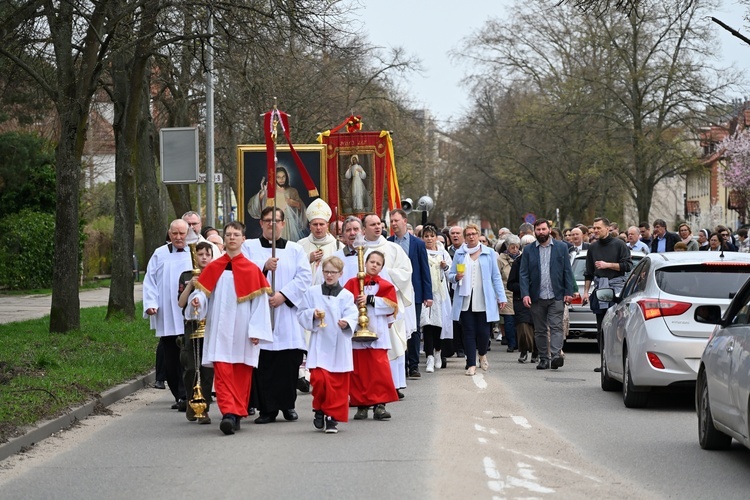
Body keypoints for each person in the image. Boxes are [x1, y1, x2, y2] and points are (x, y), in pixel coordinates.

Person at [187, 221, 273, 435]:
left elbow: (260, 304)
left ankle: (236, 413)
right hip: (219, 328)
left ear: (243, 239)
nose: (232, 238)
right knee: (223, 371)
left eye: (236, 234)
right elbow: (203, 293)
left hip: (243, 330)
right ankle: (228, 414)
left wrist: (257, 332)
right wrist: (197, 300)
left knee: (241, 373)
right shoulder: (214, 267)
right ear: (224, 240)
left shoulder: (252, 269)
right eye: (228, 234)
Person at [242, 207, 312, 424]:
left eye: (276, 220)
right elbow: (242, 272)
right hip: (260, 311)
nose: (272, 224)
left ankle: (288, 406)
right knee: (265, 364)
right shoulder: (249, 247)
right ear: (261, 223)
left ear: (284, 224)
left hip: (286, 313)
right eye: (267, 220)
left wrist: (283, 295)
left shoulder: (294, 249)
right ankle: (267, 409)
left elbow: (304, 277)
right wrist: (263, 267)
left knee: (288, 363)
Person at [296, 256, 359, 433]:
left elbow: (353, 315)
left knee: (337, 385)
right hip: (320, 343)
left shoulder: (346, 295)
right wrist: (312, 315)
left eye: (333, 272)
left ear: (340, 273)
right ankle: (319, 408)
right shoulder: (312, 292)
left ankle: (332, 419)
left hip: (339, 344)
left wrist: (347, 322)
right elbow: (301, 313)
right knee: (320, 379)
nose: (329, 275)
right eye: (326, 271)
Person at [143, 219, 193, 409]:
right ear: (169, 234)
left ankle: (190, 393)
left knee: (189, 355)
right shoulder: (160, 254)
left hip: (190, 312)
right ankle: (179, 395)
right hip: (167, 312)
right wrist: (150, 304)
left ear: (188, 233)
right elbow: (150, 281)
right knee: (171, 357)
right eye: (175, 234)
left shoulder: (196, 252)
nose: (179, 237)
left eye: (182, 233)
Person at [343, 251, 400, 420]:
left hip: (378, 331)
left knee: (378, 370)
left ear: (382, 267)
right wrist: (355, 300)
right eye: (372, 262)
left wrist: (371, 300)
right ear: (365, 263)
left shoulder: (385, 285)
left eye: (378, 263)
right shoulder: (352, 283)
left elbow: (392, 306)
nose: (374, 265)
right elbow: (343, 302)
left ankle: (380, 405)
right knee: (359, 371)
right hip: (357, 332)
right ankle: (361, 404)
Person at [362, 213, 414, 395]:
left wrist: (384, 274)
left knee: (393, 343)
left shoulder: (393, 249)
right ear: (364, 229)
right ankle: (369, 386)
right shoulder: (358, 250)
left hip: (389, 302)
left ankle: (395, 384)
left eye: (379, 224)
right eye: (372, 224)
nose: (377, 227)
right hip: (364, 307)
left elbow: (406, 272)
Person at [449, 223, 507, 376]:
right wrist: (456, 277)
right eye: (468, 234)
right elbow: (450, 274)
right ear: (464, 237)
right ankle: (471, 364)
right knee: (468, 332)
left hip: (484, 299)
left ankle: (482, 354)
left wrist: (501, 296)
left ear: (478, 235)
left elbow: (496, 277)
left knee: (483, 333)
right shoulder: (460, 254)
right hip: (465, 299)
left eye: (474, 234)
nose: (471, 237)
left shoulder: (488, 253)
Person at [519, 219, 574, 371]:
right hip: (536, 296)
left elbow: (567, 271)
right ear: (534, 231)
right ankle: (544, 358)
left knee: (556, 327)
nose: (541, 232)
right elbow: (523, 274)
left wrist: (569, 292)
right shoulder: (529, 250)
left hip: (556, 294)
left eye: (543, 229)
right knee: (540, 329)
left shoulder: (561, 247)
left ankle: (556, 356)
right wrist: (525, 294)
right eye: (538, 230)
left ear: (550, 230)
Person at [582, 217, 632, 372]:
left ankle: (617, 362)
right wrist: (585, 292)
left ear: (608, 228)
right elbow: (589, 272)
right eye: (594, 228)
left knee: (617, 327)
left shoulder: (619, 244)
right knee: (601, 327)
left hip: (616, 290)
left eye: (598, 228)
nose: (595, 231)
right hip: (600, 290)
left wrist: (608, 265)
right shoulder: (593, 247)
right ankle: (603, 361)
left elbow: (628, 266)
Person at [387, 209, 432, 379]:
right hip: (394, 293)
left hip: (415, 292)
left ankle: (413, 365)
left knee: (413, 329)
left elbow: (424, 270)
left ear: (404, 221)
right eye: (391, 221)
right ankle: (401, 363)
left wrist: (428, 295)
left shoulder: (417, 244)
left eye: (396, 220)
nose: (393, 224)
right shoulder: (388, 242)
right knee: (398, 328)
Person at [177, 241, 215, 425]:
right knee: (192, 368)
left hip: (210, 326)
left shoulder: (217, 274)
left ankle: (204, 408)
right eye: (200, 254)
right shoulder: (186, 275)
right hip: (192, 327)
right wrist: (191, 286)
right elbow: (180, 303)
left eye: (207, 254)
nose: (204, 258)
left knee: (207, 370)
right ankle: (192, 404)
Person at [420, 223, 453, 372]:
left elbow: (450, 274)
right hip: (426, 292)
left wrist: (445, 267)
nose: (429, 239)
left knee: (438, 324)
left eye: (431, 236)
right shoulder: (421, 251)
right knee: (427, 324)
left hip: (440, 293)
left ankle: (438, 352)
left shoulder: (443, 252)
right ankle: (429, 357)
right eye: (426, 236)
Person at [247, 166, 307, 242]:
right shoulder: (269, 192)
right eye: (278, 177)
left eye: (283, 177)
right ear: (274, 178)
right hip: (272, 226)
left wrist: (295, 204)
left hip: (288, 226)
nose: (281, 179)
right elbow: (254, 208)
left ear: (287, 177)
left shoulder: (292, 191)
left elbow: (301, 210)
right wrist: (263, 193)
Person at [507, 235, 538, 363]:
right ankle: (524, 350)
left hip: (537, 299)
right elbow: (510, 284)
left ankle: (536, 352)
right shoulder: (517, 262)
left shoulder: (539, 260)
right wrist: (524, 287)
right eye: (526, 245)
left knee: (536, 327)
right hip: (520, 300)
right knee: (523, 327)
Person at [298, 199, 339, 285]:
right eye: (315, 224)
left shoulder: (338, 246)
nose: (318, 228)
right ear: (310, 226)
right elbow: (293, 268)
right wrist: (308, 258)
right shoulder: (300, 245)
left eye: (321, 224)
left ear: (327, 225)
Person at [498, 235, 521, 353]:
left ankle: (519, 342)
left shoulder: (522, 257)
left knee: (519, 319)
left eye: (517, 247)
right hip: (505, 291)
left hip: (519, 292)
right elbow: (496, 277)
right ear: (507, 247)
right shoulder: (500, 259)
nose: (515, 249)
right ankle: (511, 343)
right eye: (513, 247)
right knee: (509, 319)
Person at [447, 226, 465, 358]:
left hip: (464, 288)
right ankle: (456, 346)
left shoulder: (467, 251)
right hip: (450, 288)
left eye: (458, 233)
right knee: (454, 319)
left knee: (463, 319)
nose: (455, 236)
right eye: (452, 233)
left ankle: (464, 346)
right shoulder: (446, 252)